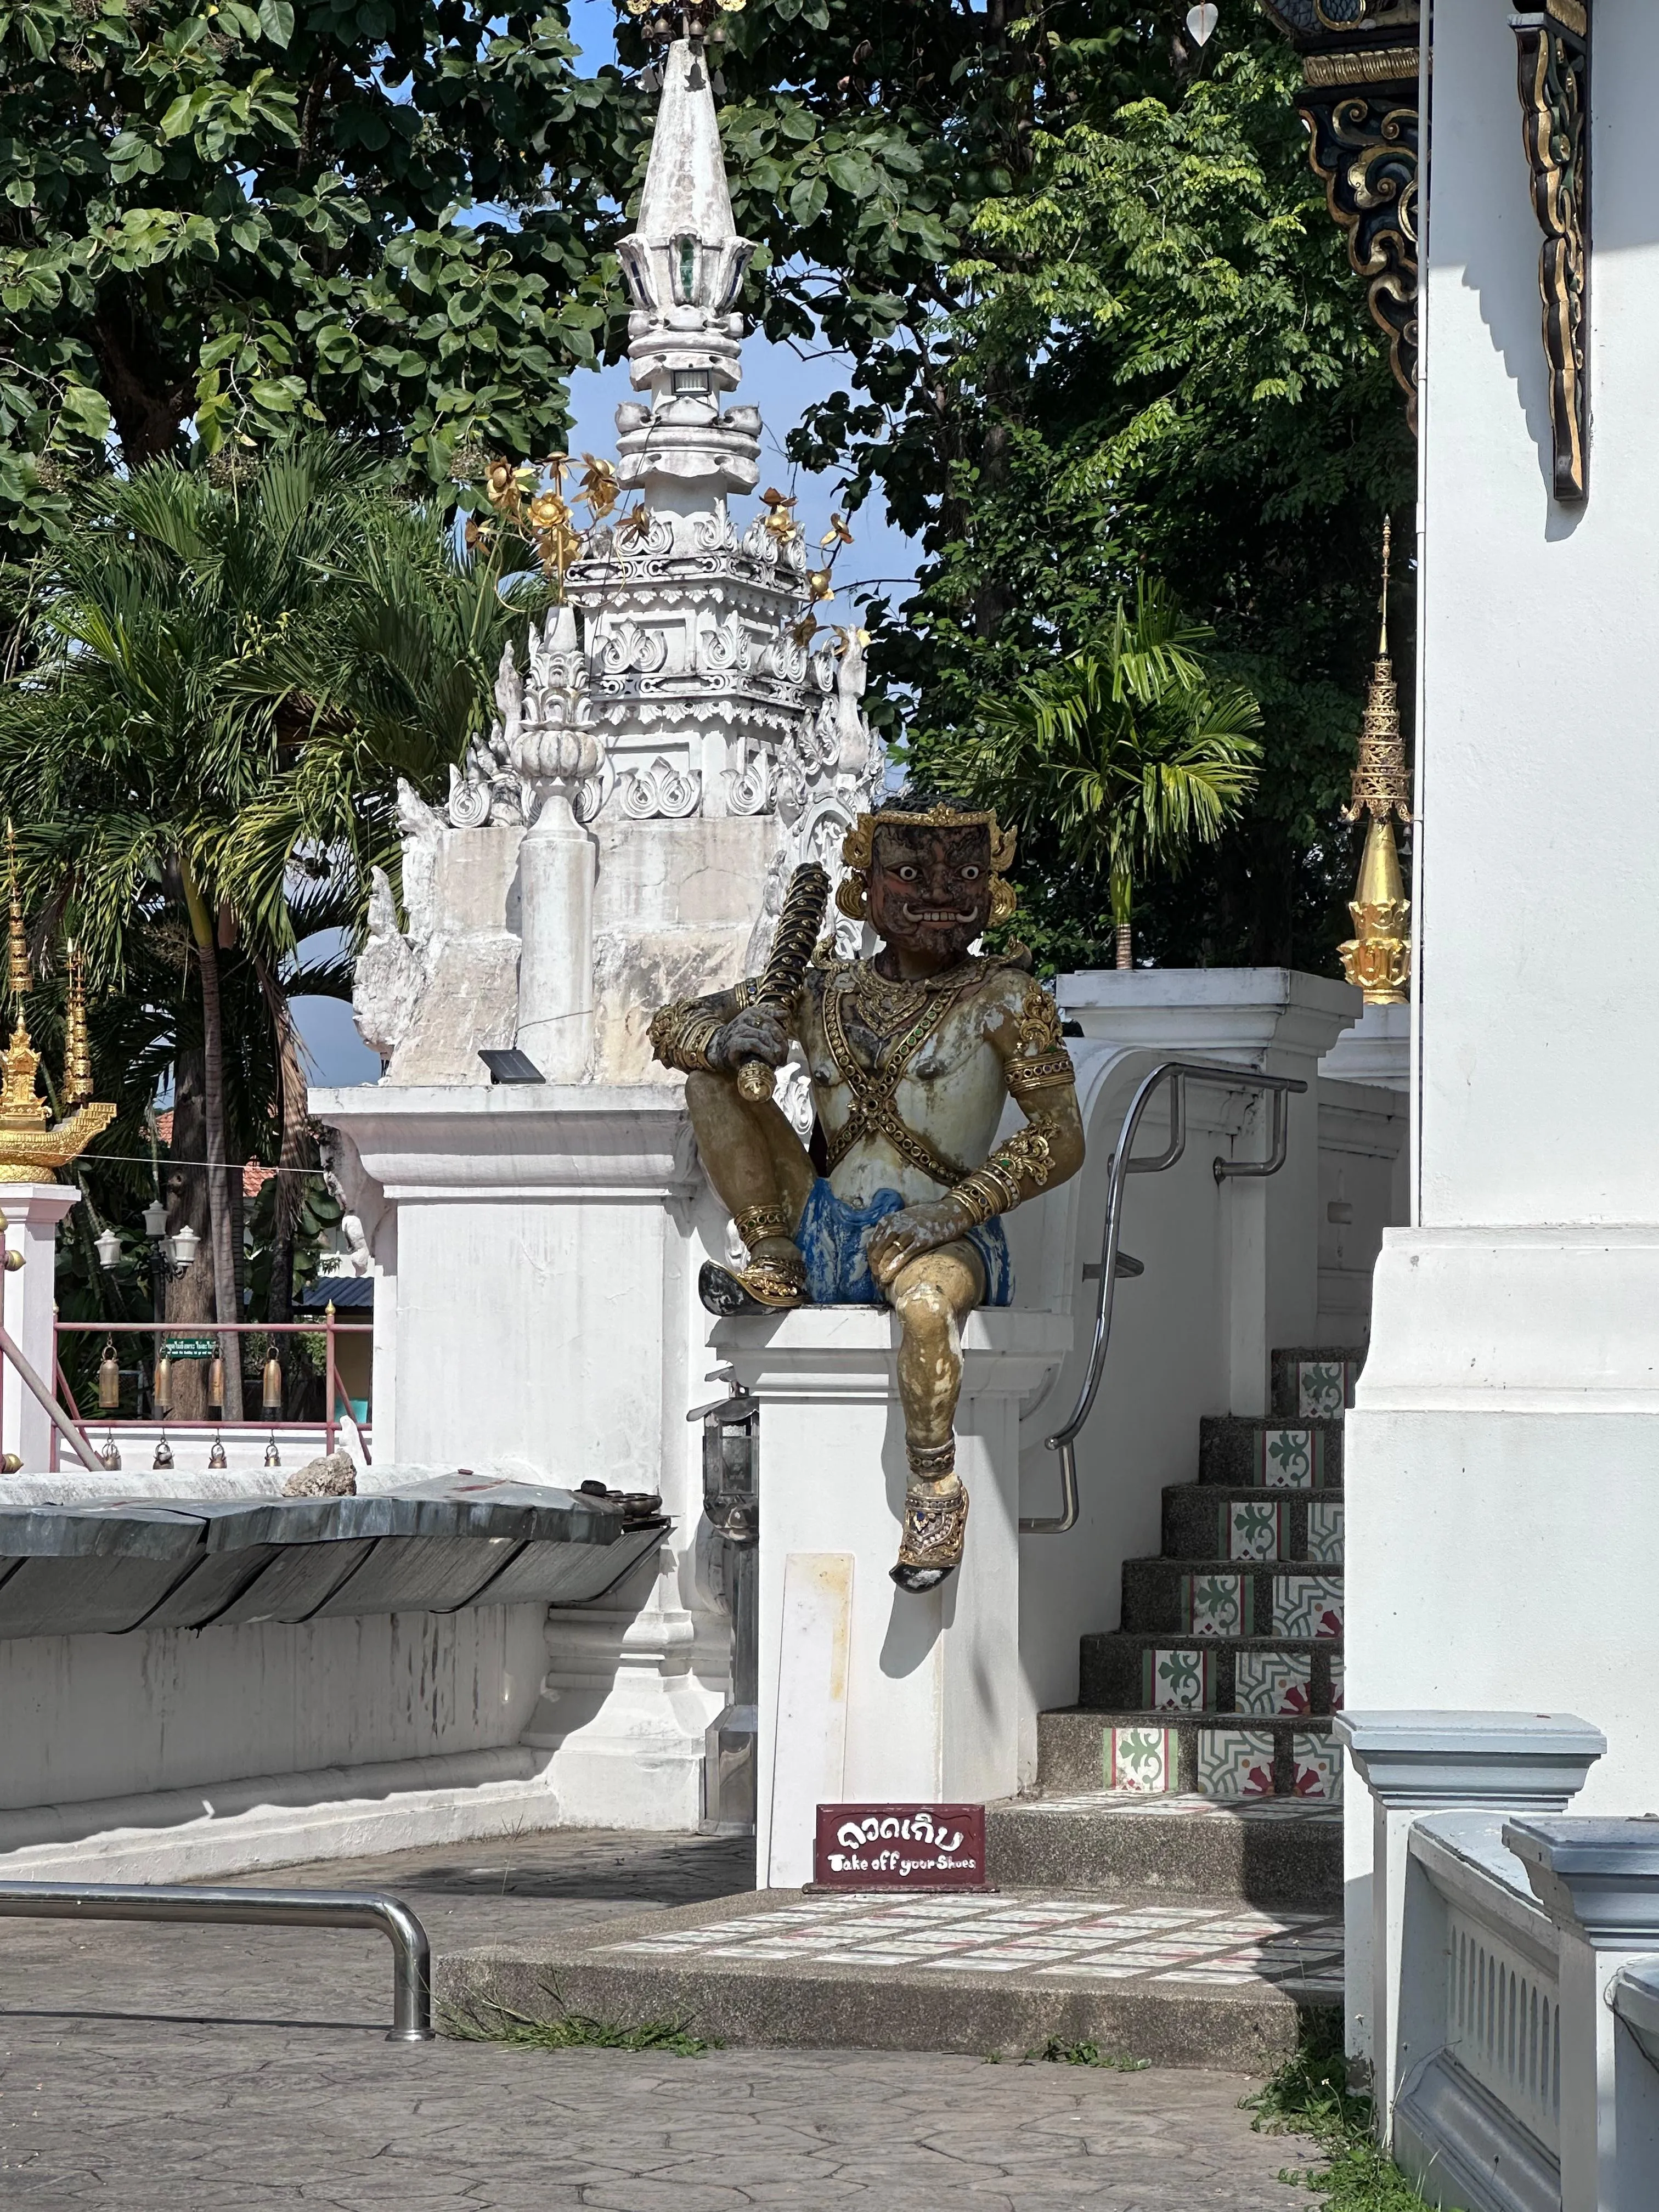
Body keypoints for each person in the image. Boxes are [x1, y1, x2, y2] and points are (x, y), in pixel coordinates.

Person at [649, 792, 1085, 1590]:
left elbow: (1062, 1137)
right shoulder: (820, 990)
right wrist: (728, 1036)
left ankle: (934, 1489)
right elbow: (671, 1026)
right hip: (825, 1223)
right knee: (711, 1085)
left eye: (964, 873)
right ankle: (775, 1260)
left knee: (924, 1311)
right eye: (912, 872)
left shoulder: (1007, 1000)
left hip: (949, 1230)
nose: (941, 892)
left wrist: (952, 1211)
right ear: (866, 885)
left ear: (994, 885)